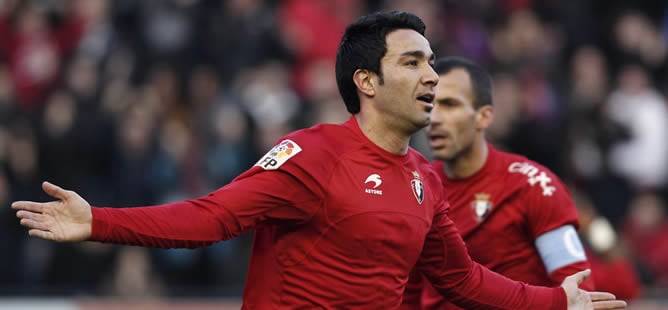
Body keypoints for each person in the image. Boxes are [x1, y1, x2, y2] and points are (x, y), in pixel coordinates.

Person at [12, 11, 625, 309]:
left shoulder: (424, 182)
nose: (432, 76)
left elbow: (462, 279)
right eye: (412, 62)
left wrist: (558, 301)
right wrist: (99, 223)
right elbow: (210, 218)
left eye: (433, 61)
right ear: (365, 80)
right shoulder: (311, 156)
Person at [402, 56, 596, 309]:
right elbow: (407, 293)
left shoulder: (533, 185)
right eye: (430, 104)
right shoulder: (415, 188)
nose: (435, 118)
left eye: (449, 105)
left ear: (484, 116)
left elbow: (579, 289)